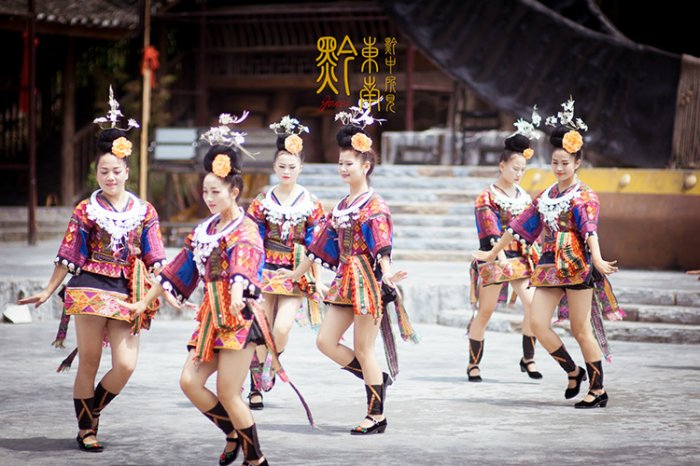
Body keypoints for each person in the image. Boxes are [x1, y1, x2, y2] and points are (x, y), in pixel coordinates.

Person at [18, 86, 166, 451]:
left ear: (127, 171)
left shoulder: (145, 211)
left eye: (116, 171)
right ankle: (87, 429)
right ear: (96, 173)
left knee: (126, 364)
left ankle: (90, 410)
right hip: (89, 286)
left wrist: (168, 290)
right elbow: (69, 254)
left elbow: (157, 258)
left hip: (127, 290)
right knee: (90, 360)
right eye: (104, 171)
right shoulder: (86, 209)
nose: (110, 177)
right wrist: (48, 290)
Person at [124, 112, 270, 465]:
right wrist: (144, 302)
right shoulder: (204, 231)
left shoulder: (246, 229)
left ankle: (256, 460)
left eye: (216, 191)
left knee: (228, 392)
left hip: (238, 317)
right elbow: (179, 268)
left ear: (234, 191)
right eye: (205, 191)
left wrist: (237, 295)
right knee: (189, 382)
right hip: (210, 318)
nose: (209, 198)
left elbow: (244, 263)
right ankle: (232, 433)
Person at [473, 98, 623, 408]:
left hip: (577, 265)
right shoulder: (545, 196)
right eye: (555, 163)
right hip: (548, 266)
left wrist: (596, 258)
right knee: (539, 323)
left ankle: (598, 389)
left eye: (565, 163)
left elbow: (590, 229)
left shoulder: (584, 195)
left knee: (580, 329)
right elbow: (518, 227)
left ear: (577, 163)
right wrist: (492, 253)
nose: (559, 168)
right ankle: (573, 371)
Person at [277, 102, 413, 435]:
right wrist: (295, 274)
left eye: (349, 163)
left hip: (368, 281)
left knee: (364, 348)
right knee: (325, 341)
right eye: (340, 163)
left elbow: (381, 242)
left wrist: (387, 271)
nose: (343, 168)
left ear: (366, 165)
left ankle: (376, 415)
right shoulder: (340, 206)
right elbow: (319, 246)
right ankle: (377, 378)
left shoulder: (375, 205)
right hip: (344, 281)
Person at [245, 115, 326, 410]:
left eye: (292, 167)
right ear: (274, 167)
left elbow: (317, 242)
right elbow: (252, 236)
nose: (287, 171)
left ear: (301, 167)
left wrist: (312, 276)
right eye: (282, 166)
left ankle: (271, 364)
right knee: (260, 326)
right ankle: (255, 386)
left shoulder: (310, 203)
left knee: (281, 328)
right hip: (266, 269)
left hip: (295, 271)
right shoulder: (263, 200)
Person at [468, 108, 543, 382]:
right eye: (515, 168)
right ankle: (473, 363)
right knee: (486, 311)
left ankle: (528, 358)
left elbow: (533, 229)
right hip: (495, 258)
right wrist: (501, 261)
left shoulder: (524, 196)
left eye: (523, 169)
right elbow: (489, 233)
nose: (519, 173)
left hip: (522, 258)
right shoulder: (487, 196)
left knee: (533, 305)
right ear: (502, 166)